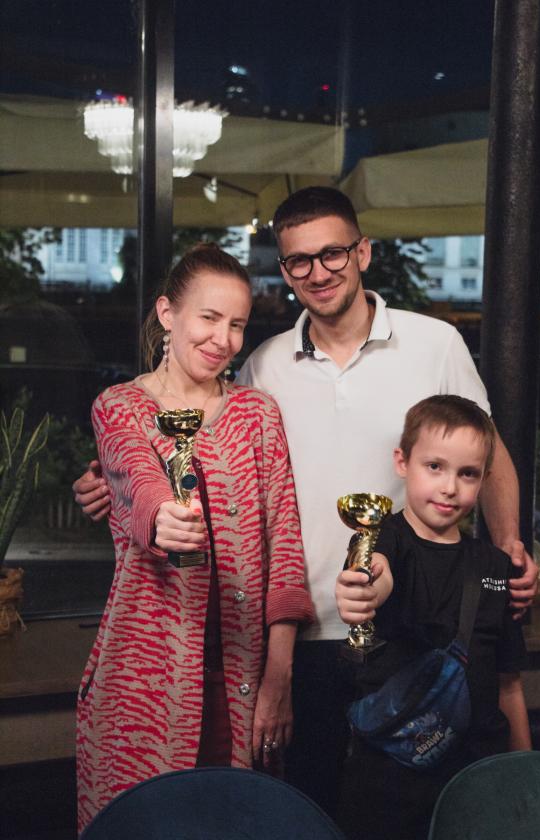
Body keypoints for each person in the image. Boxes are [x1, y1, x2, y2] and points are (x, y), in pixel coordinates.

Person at [74, 187, 537, 818]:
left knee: (404, 806)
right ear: (286, 271)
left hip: (403, 622)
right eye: (299, 260)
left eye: (332, 254)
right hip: (304, 633)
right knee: (304, 807)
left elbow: (489, 451)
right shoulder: (265, 367)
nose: (318, 272)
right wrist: (119, 488)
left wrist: (507, 550)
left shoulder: (436, 343)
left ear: (362, 253)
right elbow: (176, 460)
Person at [75, 243, 314, 832]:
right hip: (139, 679)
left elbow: (284, 545)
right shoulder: (119, 406)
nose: (223, 339)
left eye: (237, 324)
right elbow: (137, 474)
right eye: (209, 318)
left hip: (240, 680)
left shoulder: (258, 414)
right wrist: (163, 518)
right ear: (167, 314)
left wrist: (278, 677)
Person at [335, 395, 531, 840]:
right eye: (435, 467)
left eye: (467, 474)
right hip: (389, 782)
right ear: (402, 462)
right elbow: (375, 572)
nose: (449, 488)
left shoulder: (494, 565)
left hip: (478, 777)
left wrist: (524, 775)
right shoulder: (382, 537)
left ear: (484, 480)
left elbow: (509, 684)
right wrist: (363, 591)